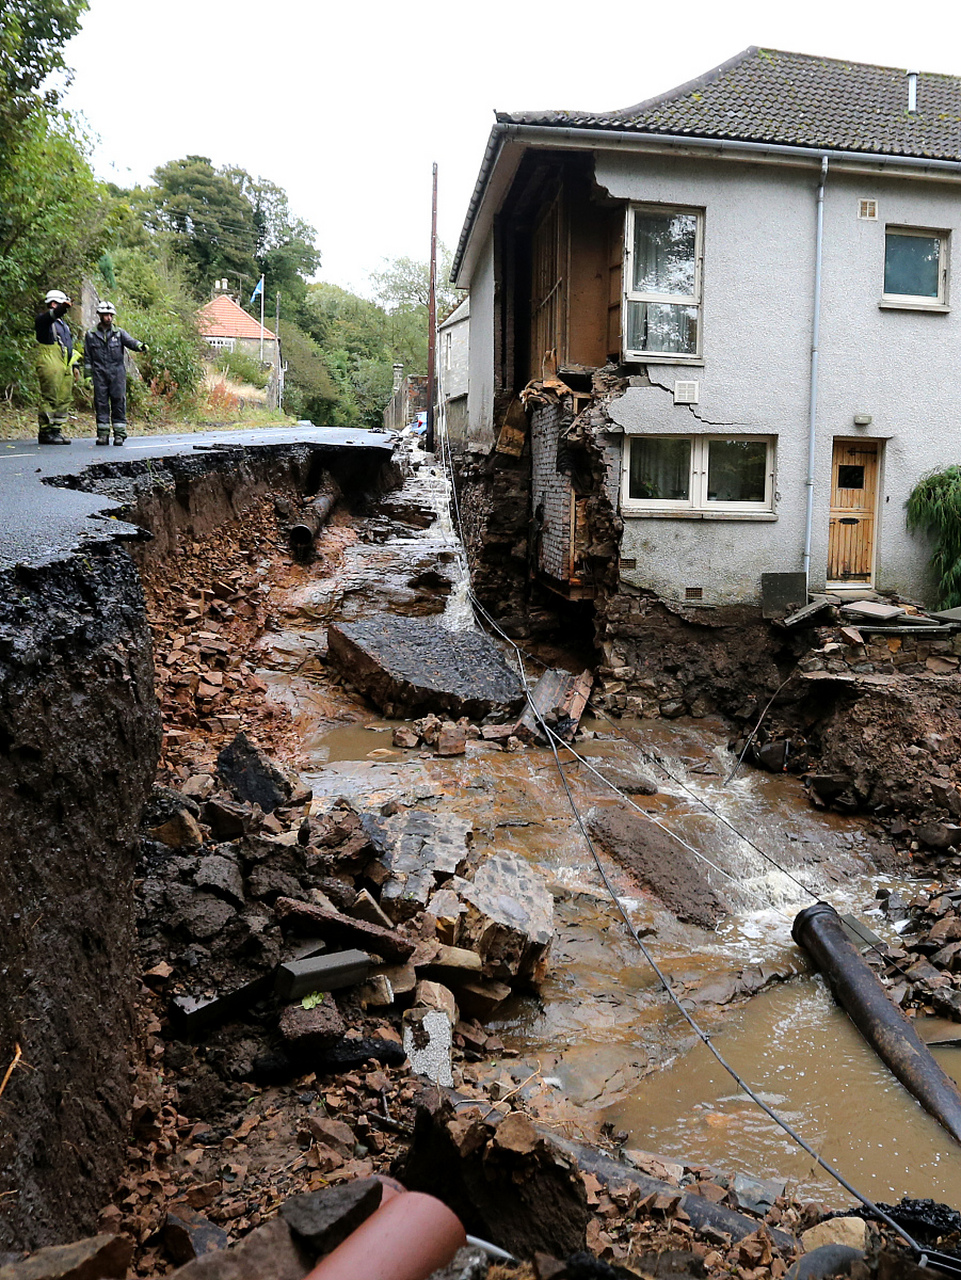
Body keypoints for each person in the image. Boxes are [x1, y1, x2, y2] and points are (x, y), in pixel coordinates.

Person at [83, 301, 147, 445]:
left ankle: (119, 434)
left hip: (117, 372)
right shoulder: (91, 335)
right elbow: (87, 357)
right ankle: (103, 435)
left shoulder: (119, 333)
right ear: (100, 315)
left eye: (111, 315)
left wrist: (140, 346)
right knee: (101, 403)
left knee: (118, 401)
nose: (109, 318)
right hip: (99, 373)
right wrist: (87, 376)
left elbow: (131, 342)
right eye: (106, 315)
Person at [35, 288, 79, 444]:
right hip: (50, 362)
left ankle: (56, 430)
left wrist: (75, 365)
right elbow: (50, 316)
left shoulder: (64, 325)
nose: (64, 309)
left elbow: (69, 346)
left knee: (64, 398)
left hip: (64, 363)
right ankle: (45, 432)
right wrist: (62, 309)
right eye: (61, 305)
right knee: (50, 397)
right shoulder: (43, 320)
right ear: (54, 304)